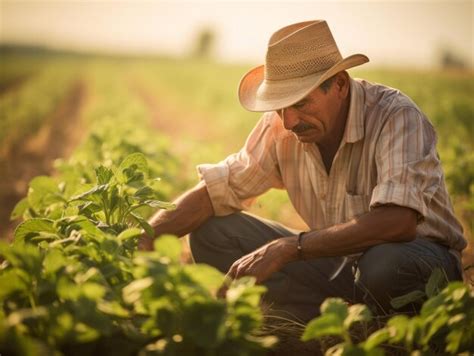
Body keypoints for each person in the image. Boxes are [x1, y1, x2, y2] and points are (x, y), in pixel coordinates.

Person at [138, 20, 466, 321]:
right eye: (280, 106)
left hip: (420, 263)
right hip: (339, 263)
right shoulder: (282, 126)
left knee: (382, 267)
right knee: (213, 233)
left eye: (300, 103)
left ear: (339, 84)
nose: (289, 121)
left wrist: (289, 248)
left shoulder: (395, 116)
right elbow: (220, 189)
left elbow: (398, 222)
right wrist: (146, 238)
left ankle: (382, 322)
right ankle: (328, 320)